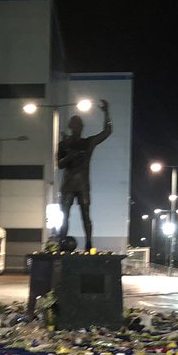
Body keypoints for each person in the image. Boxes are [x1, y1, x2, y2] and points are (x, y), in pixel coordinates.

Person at [56, 99, 112, 251]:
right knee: (64, 216)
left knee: (85, 216)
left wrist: (106, 112)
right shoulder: (64, 144)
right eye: (75, 125)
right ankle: (62, 243)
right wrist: (70, 156)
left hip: (82, 185)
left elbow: (107, 132)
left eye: (79, 125)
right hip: (68, 185)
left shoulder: (88, 143)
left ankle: (88, 244)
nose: (77, 128)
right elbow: (59, 164)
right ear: (70, 127)